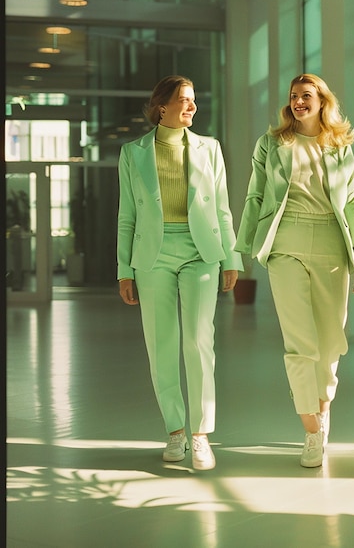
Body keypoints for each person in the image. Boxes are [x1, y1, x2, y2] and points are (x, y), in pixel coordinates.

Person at [235, 73, 354, 468]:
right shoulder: (273, 143)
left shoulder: (340, 146)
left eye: (306, 96)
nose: (298, 102)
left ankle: (322, 407)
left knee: (330, 344)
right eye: (293, 96)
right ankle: (311, 430)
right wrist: (244, 249)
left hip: (331, 245)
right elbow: (256, 194)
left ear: (322, 101)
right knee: (299, 343)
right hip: (286, 244)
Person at [117, 75, 243, 470]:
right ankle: (175, 431)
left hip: (200, 252)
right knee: (162, 344)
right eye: (184, 101)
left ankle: (202, 434)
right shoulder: (133, 152)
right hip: (151, 256)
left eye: (193, 101)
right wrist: (124, 268)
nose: (192, 108)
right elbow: (127, 215)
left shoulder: (210, 149)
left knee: (199, 341)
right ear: (162, 107)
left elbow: (222, 207)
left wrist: (232, 258)